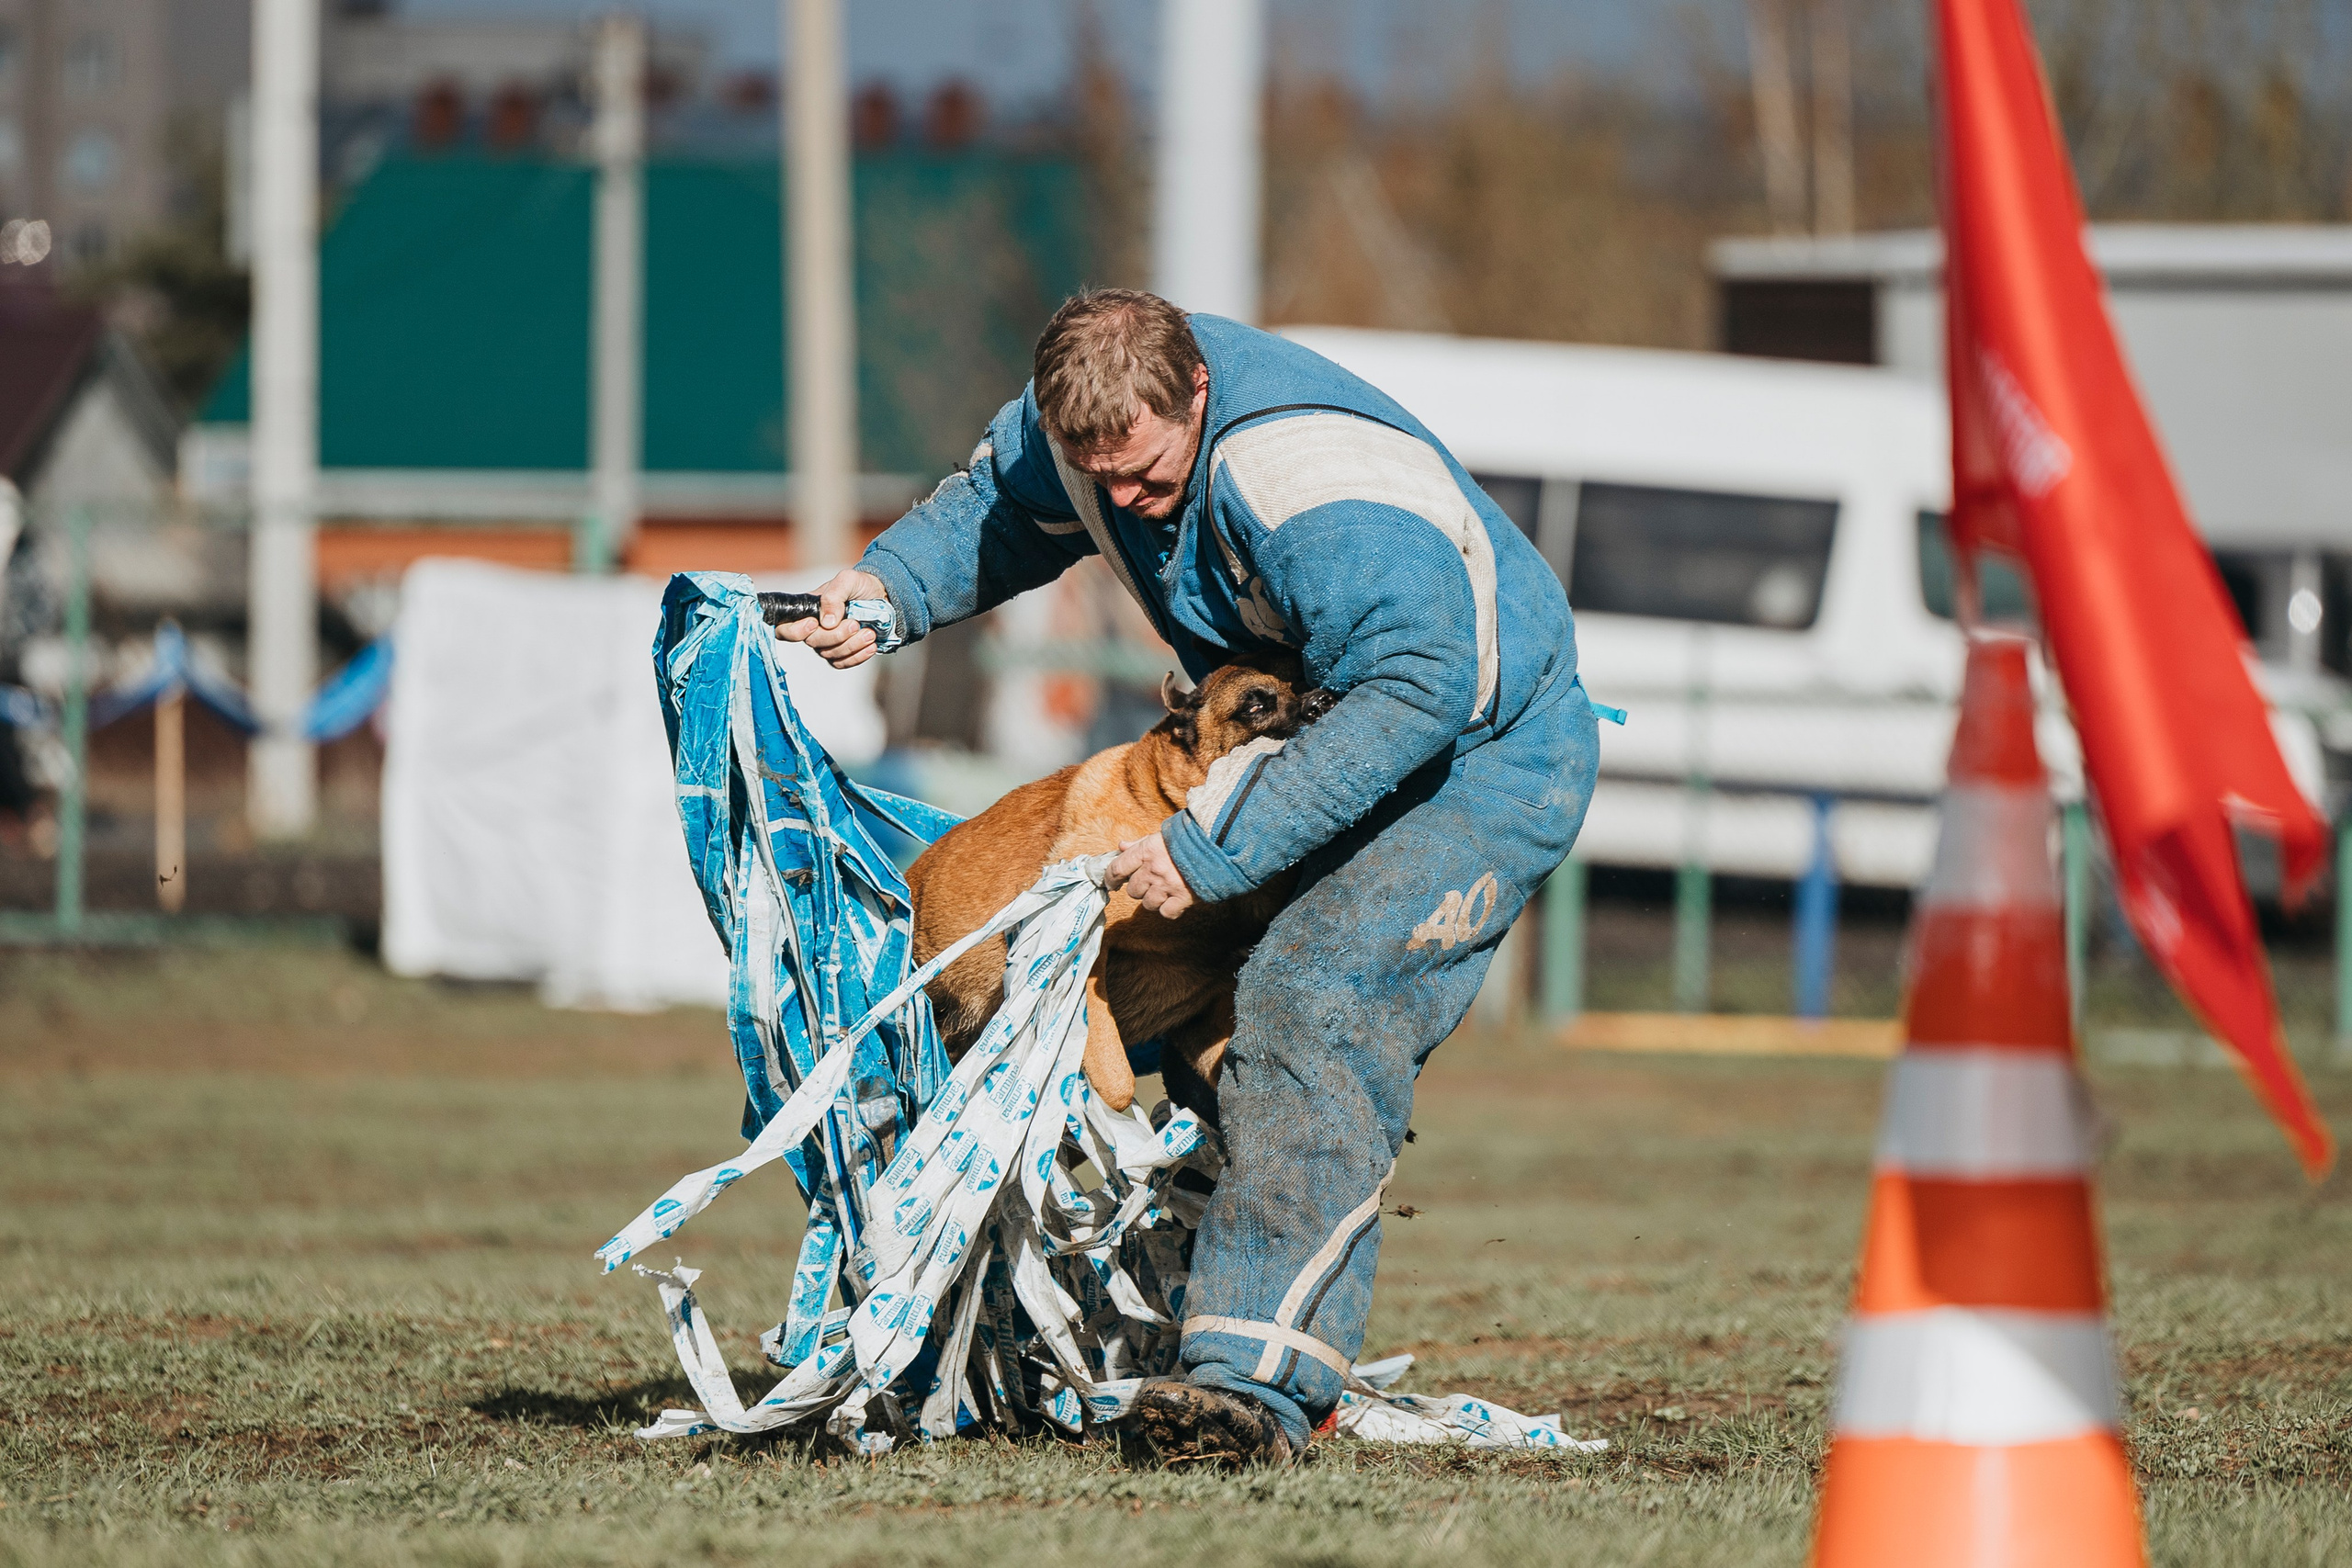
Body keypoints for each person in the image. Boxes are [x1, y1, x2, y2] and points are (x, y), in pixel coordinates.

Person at [781, 289, 1599, 1466]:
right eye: (1094, 477)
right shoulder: (1086, 432)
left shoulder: (1311, 484)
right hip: (1301, 749)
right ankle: (1180, 1325)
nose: (1121, 504)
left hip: (1477, 755)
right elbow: (998, 509)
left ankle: (1247, 1394)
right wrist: (890, 590)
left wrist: (1212, 844)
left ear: (1198, 395)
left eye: (1149, 479)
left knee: (1312, 998)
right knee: (1202, 1015)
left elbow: (1417, 683)